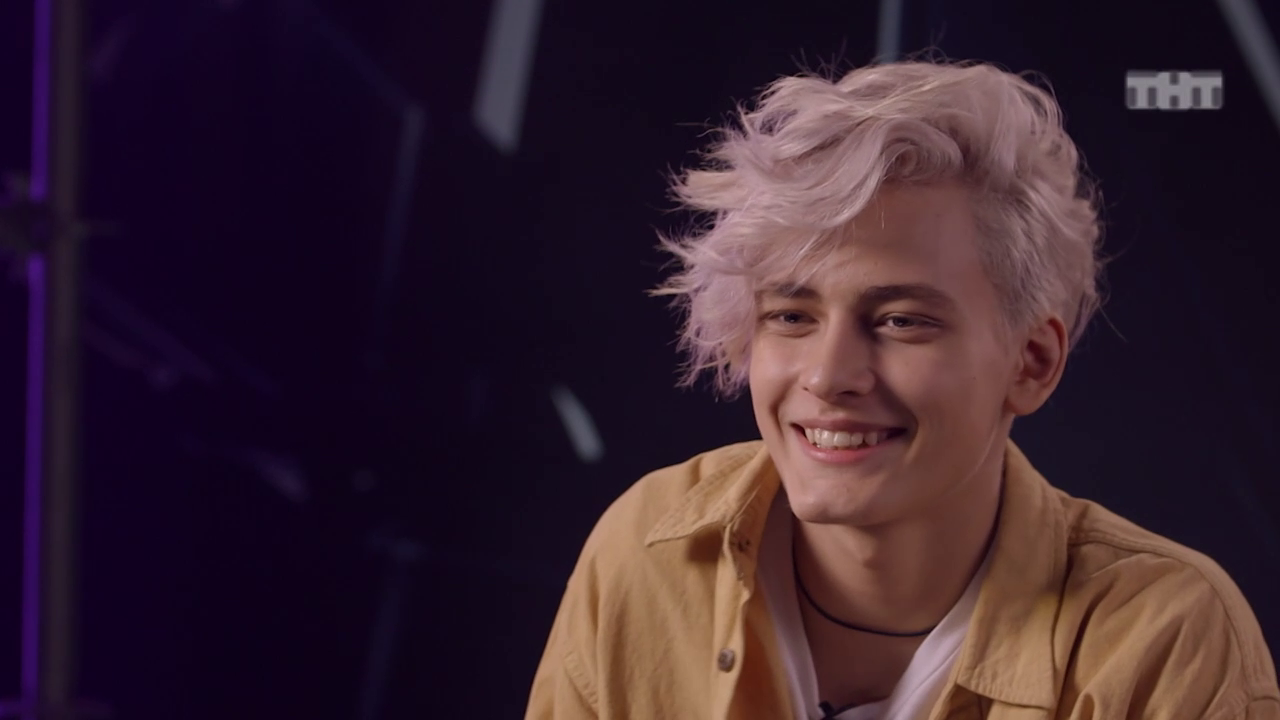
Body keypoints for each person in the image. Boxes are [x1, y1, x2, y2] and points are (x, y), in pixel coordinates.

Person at [524, 59, 1280, 720]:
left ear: (1032, 362)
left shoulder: (1161, 637)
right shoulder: (649, 550)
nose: (828, 376)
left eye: (901, 321)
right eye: (791, 316)